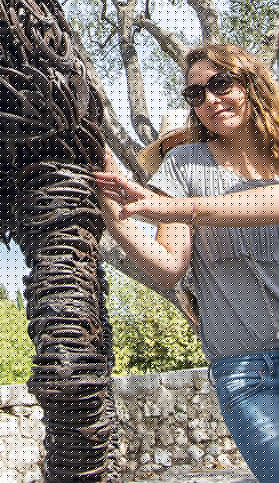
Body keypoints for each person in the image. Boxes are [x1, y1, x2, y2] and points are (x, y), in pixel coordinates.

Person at [93, 43, 279, 483]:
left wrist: (169, 207)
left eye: (221, 84)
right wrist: (113, 210)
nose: (210, 100)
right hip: (245, 371)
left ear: (250, 84)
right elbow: (168, 266)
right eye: (196, 94)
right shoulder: (183, 164)